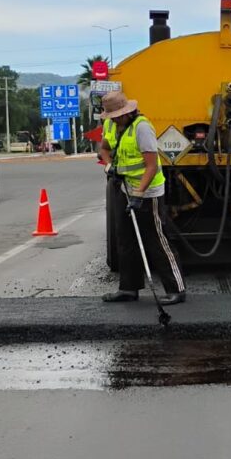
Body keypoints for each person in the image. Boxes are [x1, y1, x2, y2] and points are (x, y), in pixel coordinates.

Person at [97, 91, 187, 305]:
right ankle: (128, 289)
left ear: (127, 112)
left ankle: (176, 289)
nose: (114, 119)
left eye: (117, 116)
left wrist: (139, 195)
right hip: (124, 187)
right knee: (125, 238)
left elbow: (151, 166)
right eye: (111, 116)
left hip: (149, 192)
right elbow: (104, 149)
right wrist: (109, 166)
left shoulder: (142, 128)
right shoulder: (110, 125)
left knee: (156, 239)